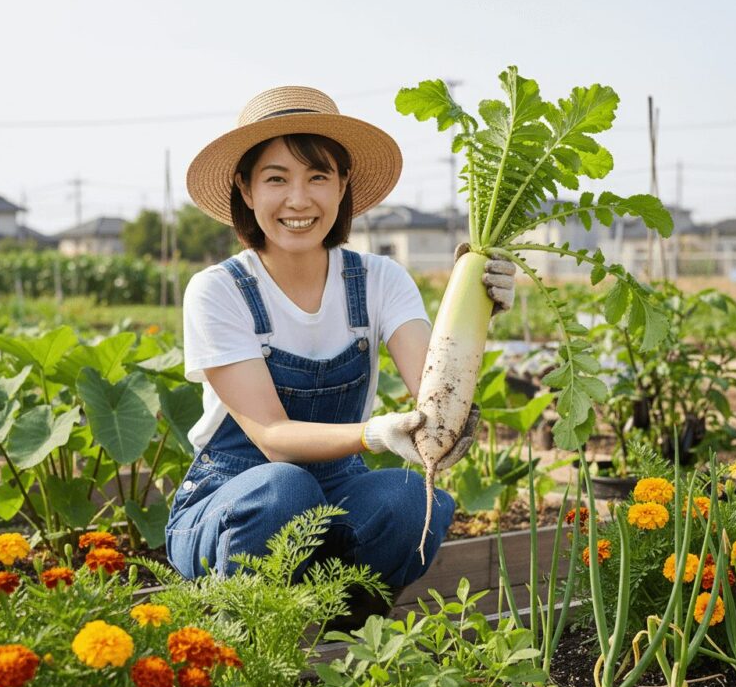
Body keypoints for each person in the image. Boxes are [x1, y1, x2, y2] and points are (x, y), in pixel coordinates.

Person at [167, 85, 516, 623]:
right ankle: (243, 630)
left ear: (343, 184)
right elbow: (271, 437)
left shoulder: (379, 280)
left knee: (412, 500)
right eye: (277, 178)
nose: (299, 200)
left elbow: (435, 384)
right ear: (246, 186)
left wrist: (476, 307)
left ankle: (347, 634)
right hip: (234, 502)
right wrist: (373, 433)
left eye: (318, 177)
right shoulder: (220, 290)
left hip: (337, 493)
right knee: (284, 487)